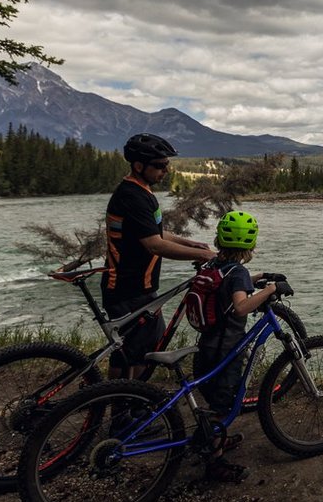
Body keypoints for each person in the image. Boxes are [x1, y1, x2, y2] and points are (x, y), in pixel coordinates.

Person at [103, 133, 217, 380]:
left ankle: (124, 404)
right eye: (159, 165)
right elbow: (155, 245)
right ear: (139, 165)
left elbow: (153, 232)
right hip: (127, 289)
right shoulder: (132, 196)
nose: (165, 170)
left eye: (167, 165)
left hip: (138, 289)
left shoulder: (140, 191)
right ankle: (124, 408)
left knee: (137, 348)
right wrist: (205, 254)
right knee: (138, 351)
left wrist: (190, 243)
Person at [193, 209, 277, 482]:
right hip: (225, 353)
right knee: (223, 408)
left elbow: (229, 288)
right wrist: (268, 291)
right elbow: (241, 307)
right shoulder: (237, 271)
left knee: (212, 400)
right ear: (250, 244)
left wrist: (257, 277)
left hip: (205, 348)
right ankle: (215, 463)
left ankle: (205, 440)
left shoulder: (215, 265)